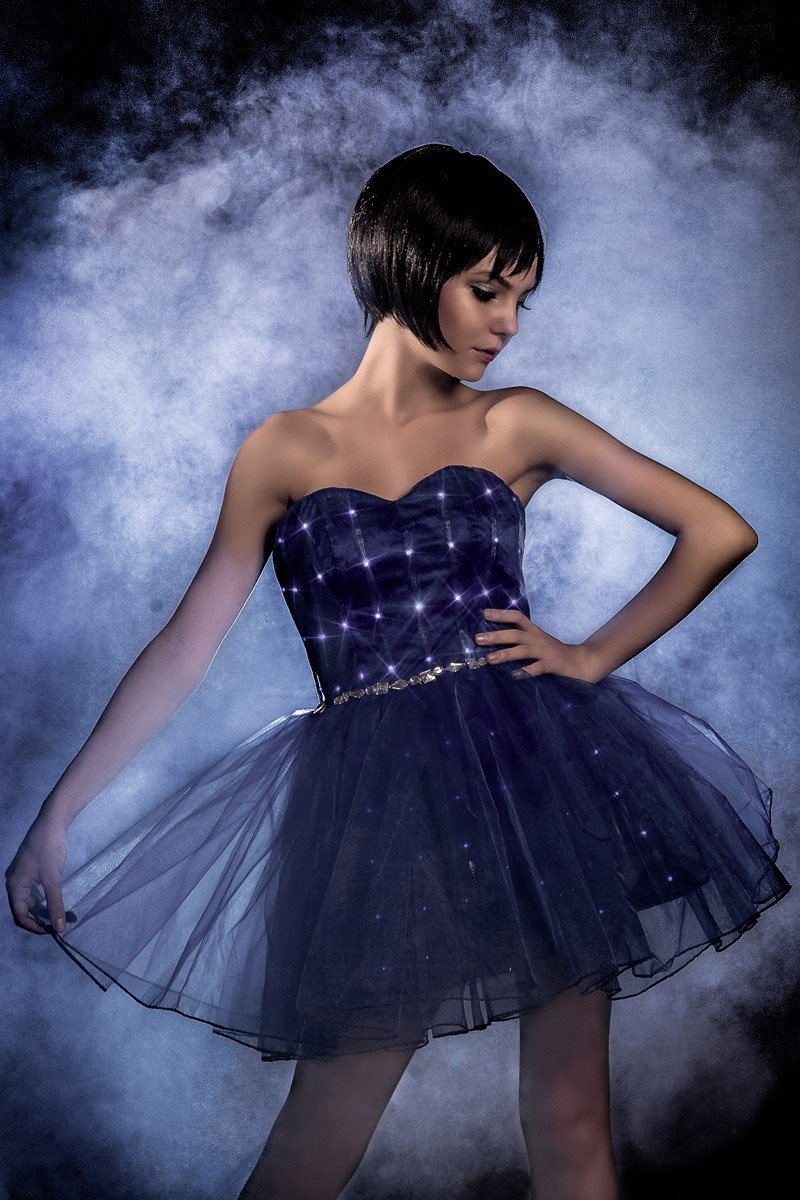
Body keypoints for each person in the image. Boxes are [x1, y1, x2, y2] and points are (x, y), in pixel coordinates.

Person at [5, 143, 791, 1200]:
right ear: (412, 269)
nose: (507, 324)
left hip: (534, 781)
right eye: (487, 290)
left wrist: (588, 654)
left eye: (519, 298)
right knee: (318, 1136)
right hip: (375, 813)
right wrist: (59, 814)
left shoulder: (516, 420)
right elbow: (186, 643)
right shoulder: (283, 449)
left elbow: (718, 529)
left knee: (568, 1120)